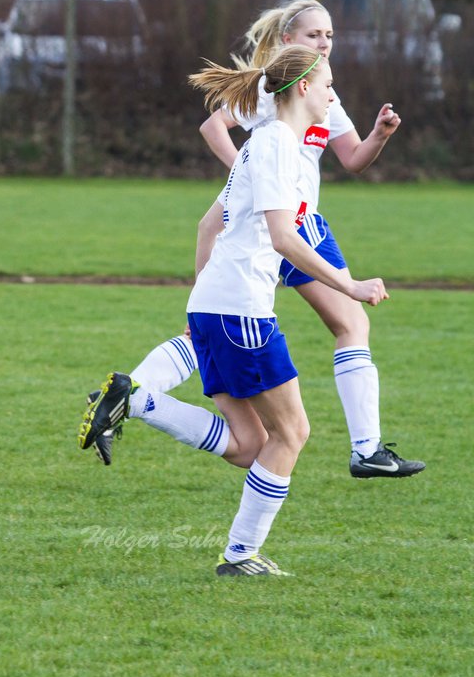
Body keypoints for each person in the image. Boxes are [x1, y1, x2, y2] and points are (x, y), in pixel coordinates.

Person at [80, 46, 390, 576]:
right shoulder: (274, 147)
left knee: (250, 446)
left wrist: (198, 305)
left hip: (217, 308)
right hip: (242, 311)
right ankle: (240, 555)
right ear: (300, 89)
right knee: (292, 435)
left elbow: (213, 225)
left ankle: (136, 401)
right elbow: (283, 238)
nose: (333, 94)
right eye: (327, 85)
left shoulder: (267, 143)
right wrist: (349, 284)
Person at [87, 0, 421, 479]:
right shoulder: (278, 92)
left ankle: (125, 395)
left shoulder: (325, 95)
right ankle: (365, 450)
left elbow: (352, 159)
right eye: (313, 35)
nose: (324, 42)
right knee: (341, 328)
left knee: (241, 332)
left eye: (329, 35)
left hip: (304, 224)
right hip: (285, 227)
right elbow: (213, 128)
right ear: (288, 41)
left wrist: (380, 135)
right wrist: (252, 182)